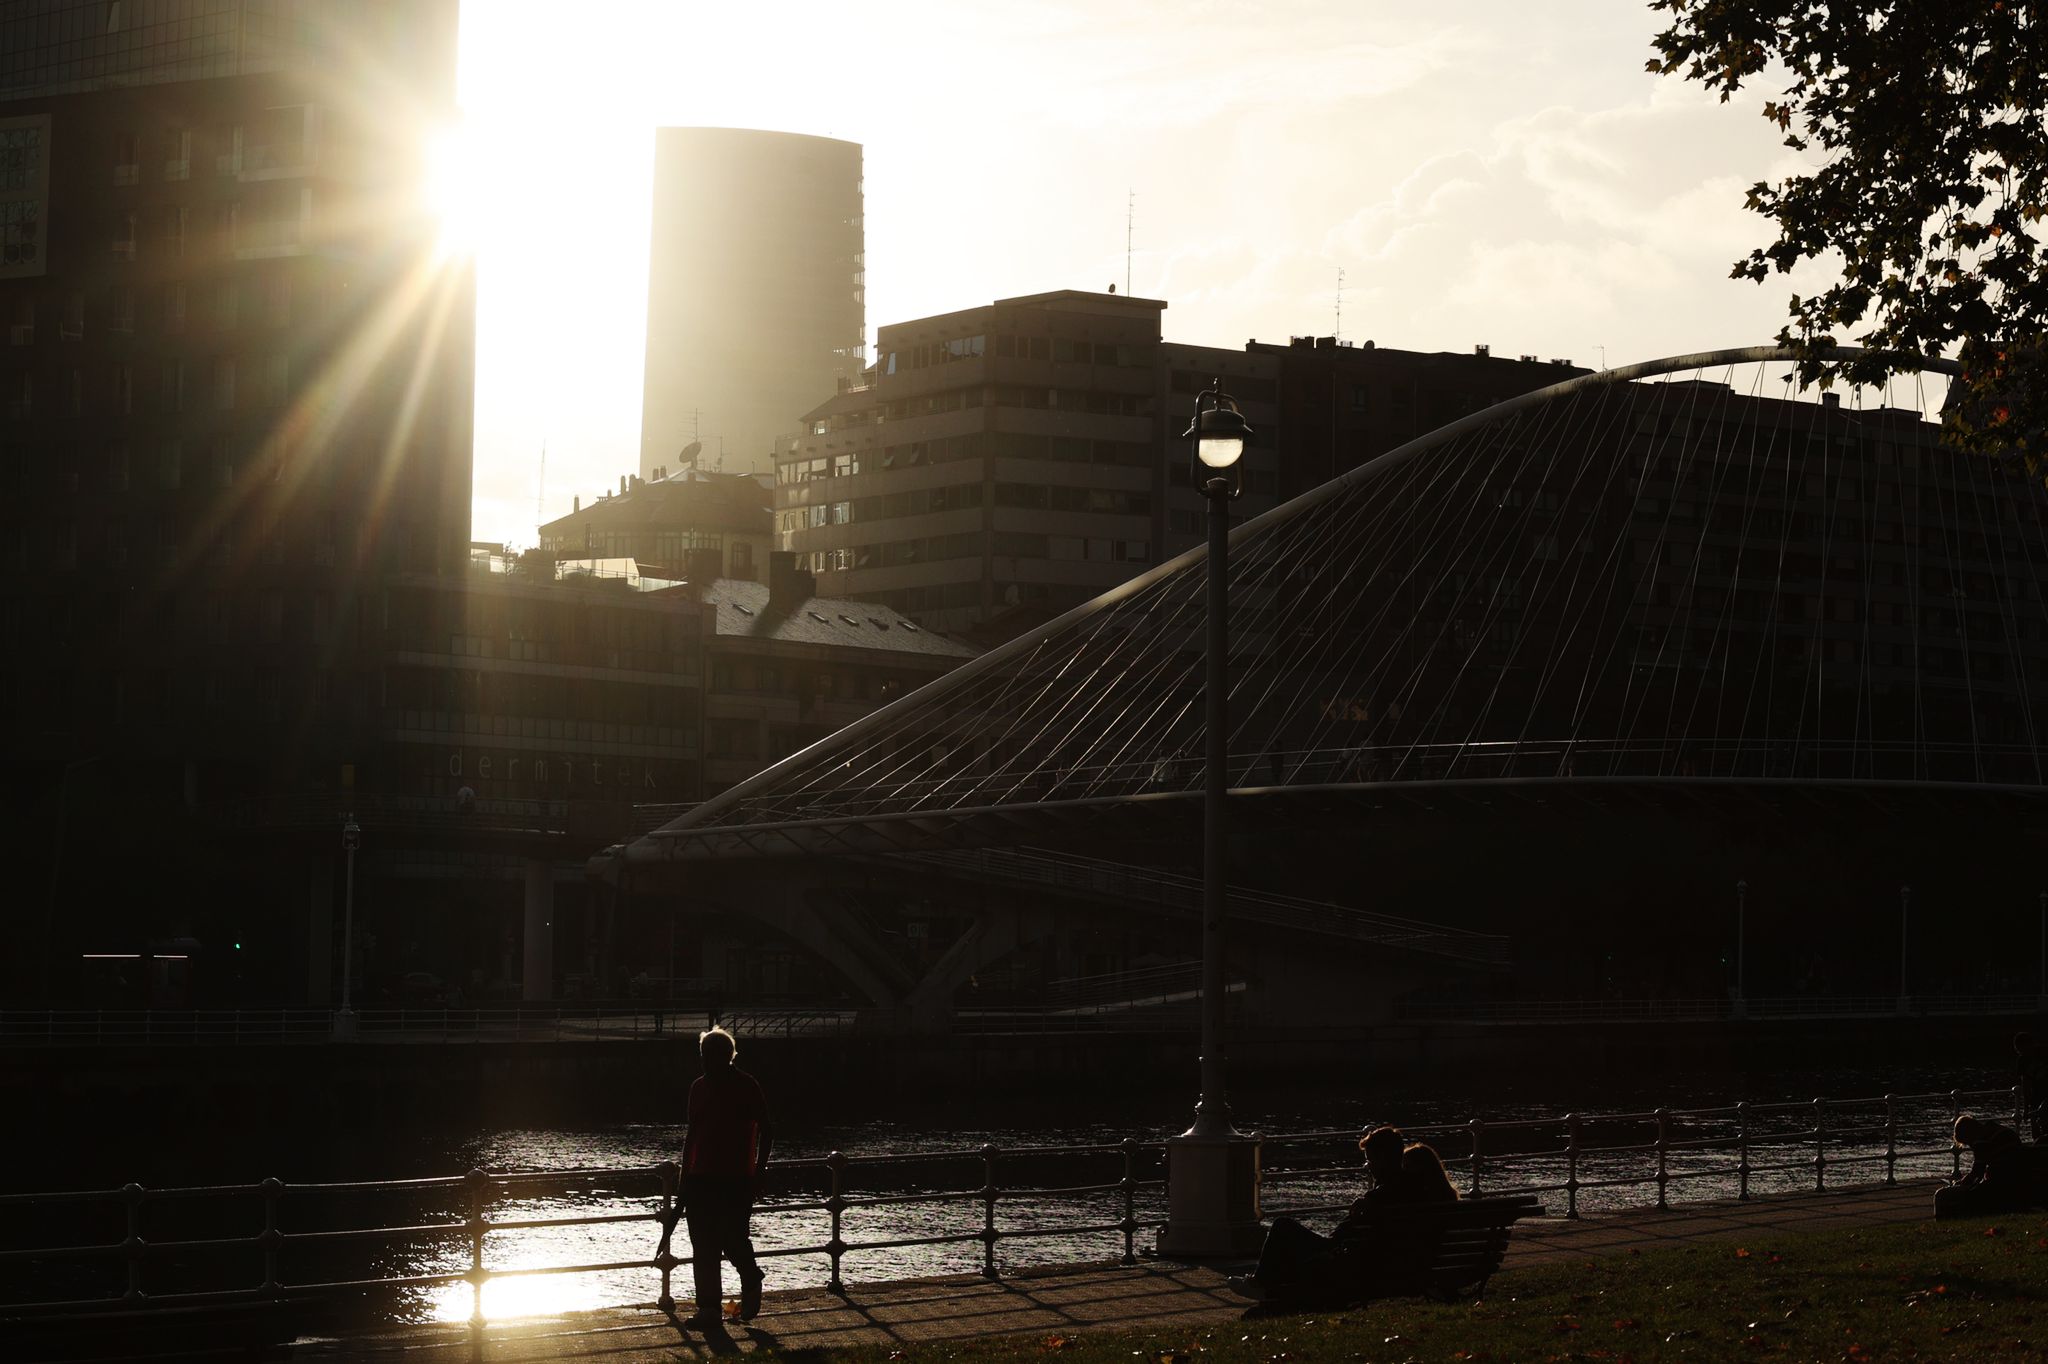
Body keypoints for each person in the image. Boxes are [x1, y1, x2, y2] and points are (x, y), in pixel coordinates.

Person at [1233, 1126, 1455, 1306]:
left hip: (1357, 1263)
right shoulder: (1416, 1190)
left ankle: (1261, 1283)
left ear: (1382, 1159)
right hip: (1401, 1265)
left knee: (1283, 1227)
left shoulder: (1379, 1197)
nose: (1369, 1167)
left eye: (1370, 1161)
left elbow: (1344, 1238)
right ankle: (1268, 1287)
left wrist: (1361, 1209)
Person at [680, 1026, 771, 1328]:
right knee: (703, 1244)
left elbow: (767, 1129)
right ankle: (709, 1308)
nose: (705, 1061)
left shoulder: (747, 1086)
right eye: (704, 1055)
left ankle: (750, 1277)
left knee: (732, 1239)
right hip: (702, 1177)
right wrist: (685, 1179)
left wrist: (758, 1170)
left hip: (735, 1178)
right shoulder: (699, 1087)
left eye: (710, 1055)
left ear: (726, 1056)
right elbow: (691, 1136)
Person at [1932, 1114, 2043, 1219]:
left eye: (1968, 1143)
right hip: (2019, 1180)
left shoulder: (1981, 1141)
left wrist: (1962, 1182)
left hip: (2000, 1186)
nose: (1971, 1146)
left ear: (1969, 1135)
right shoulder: (2001, 1130)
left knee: (1942, 1195)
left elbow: (1977, 1173)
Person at [2016, 1032, 2048, 1142]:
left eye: (2020, 1049)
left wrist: (2026, 1108)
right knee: (2037, 1132)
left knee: (2040, 1130)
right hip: (2036, 1098)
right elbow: (2025, 1085)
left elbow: (2026, 1084)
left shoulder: (2043, 1053)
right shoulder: (2023, 1060)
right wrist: (2026, 1108)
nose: (2021, 1052)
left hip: (2039, 1098)